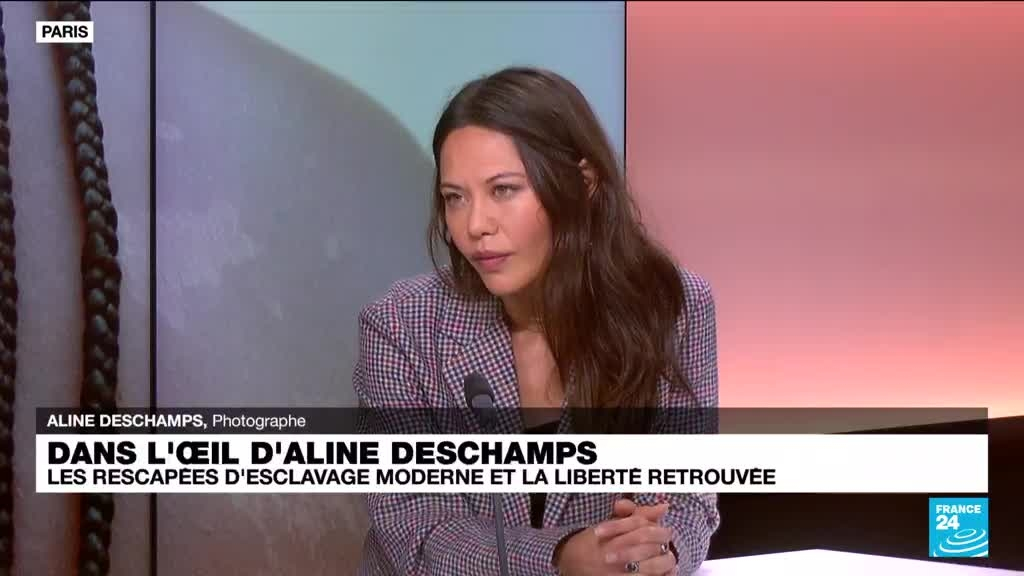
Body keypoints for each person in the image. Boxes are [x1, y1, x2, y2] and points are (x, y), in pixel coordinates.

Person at [354, 66, 720, 575]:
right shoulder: (400, 326)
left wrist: (649, 553)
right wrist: (560, 558)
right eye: (455, 198)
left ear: (583, 184)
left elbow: (686, 498)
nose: (475, 225)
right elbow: (415, 529)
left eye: (503, 190)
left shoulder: (671, 306)